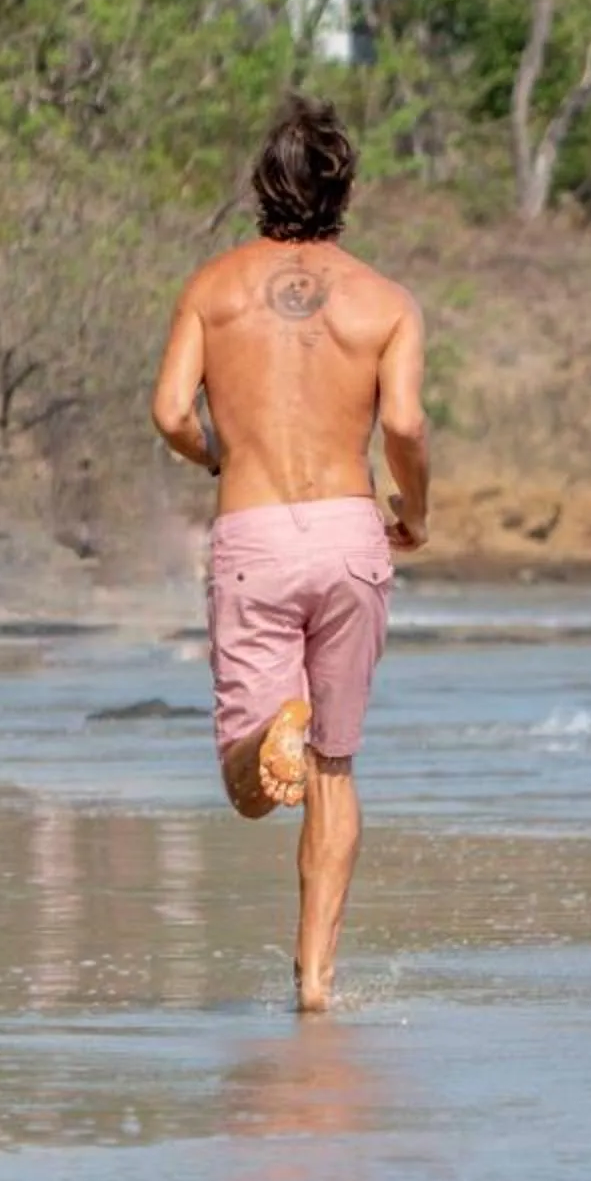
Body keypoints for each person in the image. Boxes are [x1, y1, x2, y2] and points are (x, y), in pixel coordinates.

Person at [150, 98, 428, 1013]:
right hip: (351, 535)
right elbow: (403, 424)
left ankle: (272, 732)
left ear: (263, 182)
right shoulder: (386, 303)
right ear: (345, 187)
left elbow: (166, 413)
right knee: (336, 769)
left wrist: (222, 456)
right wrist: (412, 512)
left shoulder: (214, 286)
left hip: (255, 532)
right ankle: (315, 983)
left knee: (251, 781)